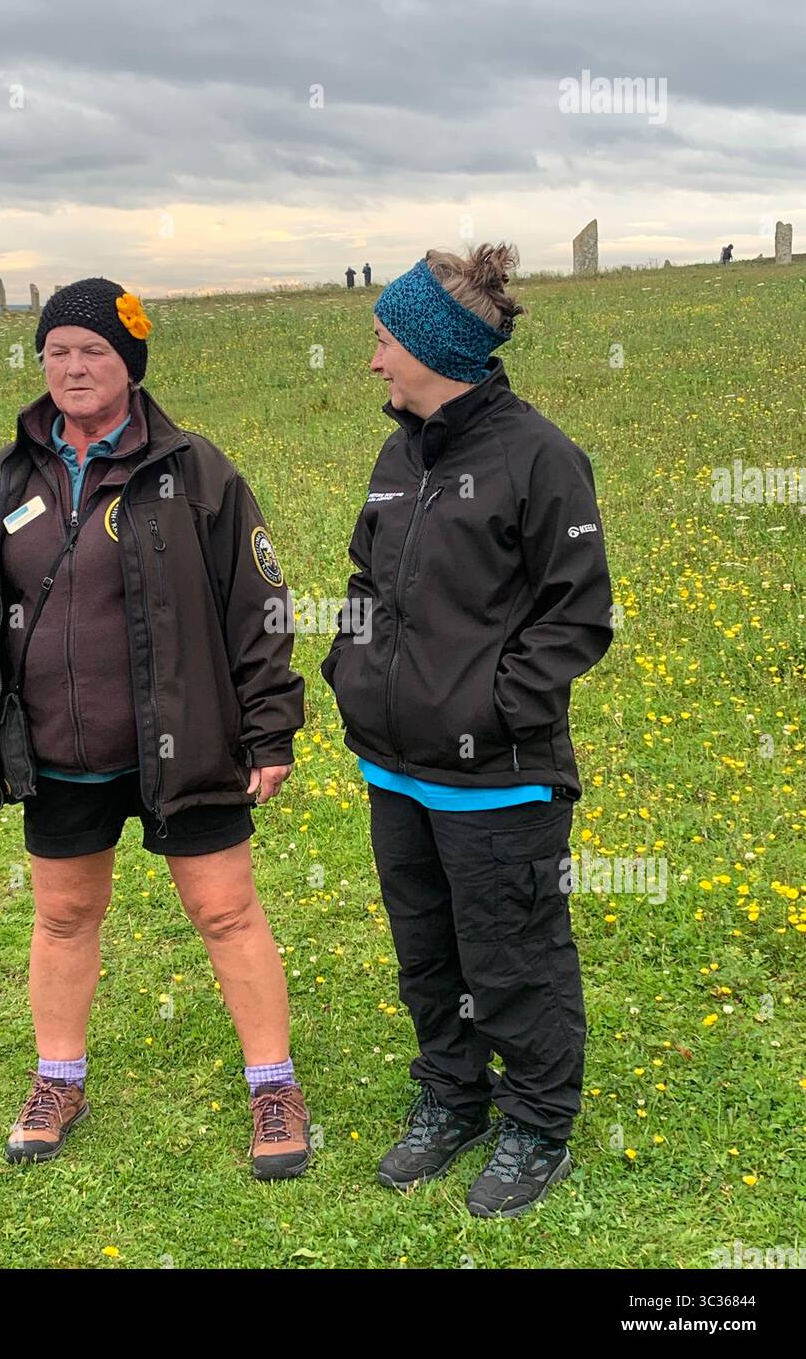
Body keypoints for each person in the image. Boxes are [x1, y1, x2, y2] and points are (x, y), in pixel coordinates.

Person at [0, 277, 312, 1180]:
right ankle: (58, 1079)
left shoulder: (195, 471)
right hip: (55, 751)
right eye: (56, 350)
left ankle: (273, 1086)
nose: (72, 366)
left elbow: (257, 608)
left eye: (93, 350)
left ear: (130, 365)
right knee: (63, 916)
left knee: (225, 911)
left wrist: (270, 729)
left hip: (183, 741)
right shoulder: (2, 479)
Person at [321, 244, 614, 1217]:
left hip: (499, 781)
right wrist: (353, 673)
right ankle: (452, 1098)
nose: (372, 363)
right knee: (429, 952)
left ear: (432, 347)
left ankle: (537, 1126)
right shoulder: (399, 451)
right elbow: (368, 579)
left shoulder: (541, 460)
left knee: (514, 957)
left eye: (382, 341)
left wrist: (489, 713)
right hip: (396, 772)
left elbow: (577, 617)